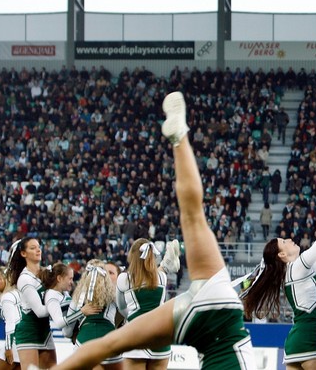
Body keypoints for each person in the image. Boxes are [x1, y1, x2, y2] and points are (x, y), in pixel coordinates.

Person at [51, 91, 257, 370]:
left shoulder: (127, 278)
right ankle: (179, 137)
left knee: (193, 214)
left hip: (211, 304)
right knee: (110, 346)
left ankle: (179, 137)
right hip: (190, 318)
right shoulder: (155, 275)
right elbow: (161, 274)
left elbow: (124, 306)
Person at [242, 177, 316, 370]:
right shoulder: (298, 266)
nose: (289, 239)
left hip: (296, 345)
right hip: (309, 343)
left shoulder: (296, 270)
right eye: (284, 241)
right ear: (282, 254)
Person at [115, 238, 177, 369]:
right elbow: (155, 273)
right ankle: (167, 262)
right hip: (160, 337)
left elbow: (121, 307)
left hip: (136, 334)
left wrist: (132, 320)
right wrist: (165, 265)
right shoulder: (162, 277)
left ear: (132, 256)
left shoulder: (124, 279)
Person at [7, 237, 57, 369]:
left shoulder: (47, 273)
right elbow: (40, 312)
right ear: (24, 253)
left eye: (38, 247)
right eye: (32, 248)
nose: (38, 250)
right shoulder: (24, 278)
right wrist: (58, 307)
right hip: (28, 332)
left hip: (45, 332)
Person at [68, 259, 123, 370]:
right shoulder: (115, 294)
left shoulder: (78, 296)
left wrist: (81, 314)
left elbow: (66, 331)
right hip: (110, 341)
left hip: (83, 342)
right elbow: (128, 313)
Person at [42, 263, 101, 340]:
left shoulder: (64, 292)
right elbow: (59, 323)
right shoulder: (51, 295)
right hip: (73, 334)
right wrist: (82, 312)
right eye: (70, 279)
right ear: (59, 278)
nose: (72, 282)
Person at [0, 267, 21, 370]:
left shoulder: (7, 297)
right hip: (27, 343)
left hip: (15, 342)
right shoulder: (17, 294)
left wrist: (8, 348)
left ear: (7, 279)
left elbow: (11, 323)